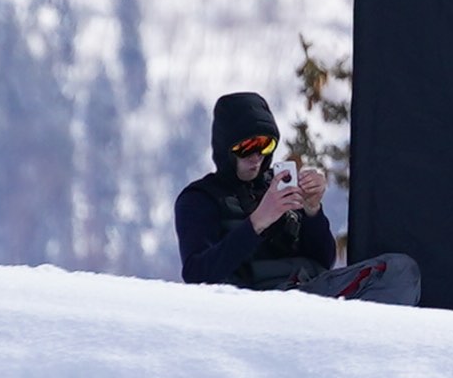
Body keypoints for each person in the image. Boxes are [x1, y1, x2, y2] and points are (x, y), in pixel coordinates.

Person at [175, 90, 421, 302]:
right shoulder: (200, 199)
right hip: (256, 307)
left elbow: (324, 260)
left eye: (265, 145)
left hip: (310, 295)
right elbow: (198, 275)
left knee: (399, 271)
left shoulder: (279, 185)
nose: (257, 156)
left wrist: (312, 210)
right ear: (225, 149)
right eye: (246, 147)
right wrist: (257, 222)